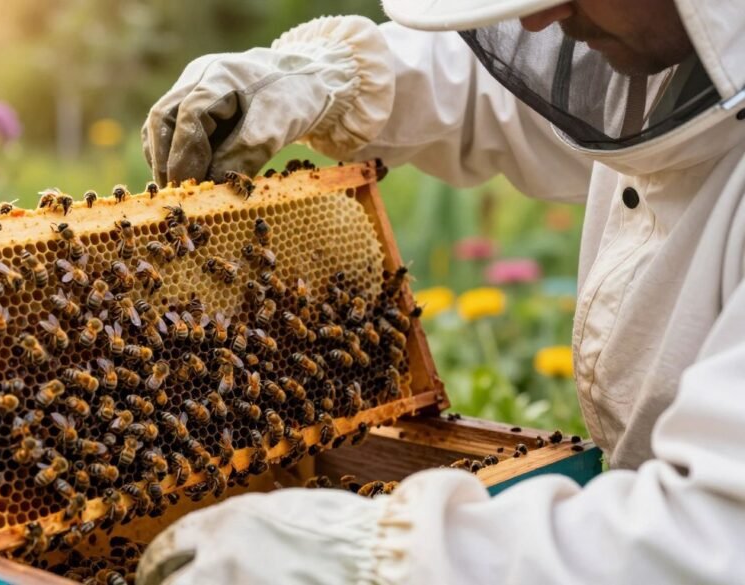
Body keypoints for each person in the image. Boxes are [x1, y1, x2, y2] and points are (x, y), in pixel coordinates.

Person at [135, 0, 745, 583]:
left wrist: (377, 560)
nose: (535, 17)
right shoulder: (659, 50)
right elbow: (506, 90)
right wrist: (324, 82)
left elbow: (715, 540)